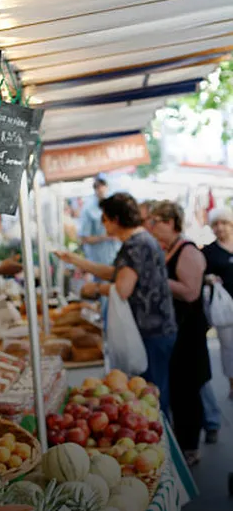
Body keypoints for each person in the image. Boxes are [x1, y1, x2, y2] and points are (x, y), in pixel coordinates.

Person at [56, 193, 177, 416]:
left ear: (115, 219)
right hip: (157, 329)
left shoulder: (135, 245)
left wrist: (94, 289)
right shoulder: (140, 241)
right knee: (155, 393)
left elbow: (122, 287)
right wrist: (76, 260)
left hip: (151, 332)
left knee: (151, 397)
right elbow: (117, 273)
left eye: (104, 218)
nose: (102, 224)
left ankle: (163, 446)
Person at [151, 201, 211, 466]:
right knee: (178, 387)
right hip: (177, 329)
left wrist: (156, 279)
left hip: (189, 331)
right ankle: (183, 439)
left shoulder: (187, 251)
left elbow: (190, 292)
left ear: (170, 222)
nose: (152, 227)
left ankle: (191, 447)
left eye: (156, 222)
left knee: (188, 388)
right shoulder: (170, 249)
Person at [78, 176, 120, 325]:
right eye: (98, 187)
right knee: (104, 296)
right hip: (99, 260)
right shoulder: (89, 209)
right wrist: (106, 237)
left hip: (114, 260)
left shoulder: (113, 206)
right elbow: (84, 237)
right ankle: (106, 324)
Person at [203, 206, 233, 398]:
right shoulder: (209, 251)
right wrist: (209, 278)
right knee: (229, 348)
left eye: (224, 223)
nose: (220, 228)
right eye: (216, 224)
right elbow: (201, 274)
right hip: (225, 309)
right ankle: (232, 384)